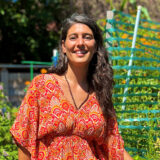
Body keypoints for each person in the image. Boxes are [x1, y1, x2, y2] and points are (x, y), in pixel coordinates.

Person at [10, 13, 133, 160]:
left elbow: (114, 147)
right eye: (73, 37)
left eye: (87, 37)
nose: (80, 43)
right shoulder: (43, 85)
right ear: (63, 46)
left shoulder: (100, 93)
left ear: (95, 47)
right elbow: (24, 138)